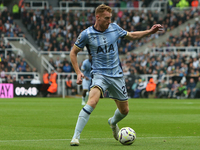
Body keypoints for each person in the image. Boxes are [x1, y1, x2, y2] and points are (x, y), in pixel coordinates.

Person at [69, 4, 163, 146]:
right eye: (106, 18)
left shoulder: (114, 28)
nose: (109, 21)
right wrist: (78, 72)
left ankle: (112, 122)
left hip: (117, 75)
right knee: (92, 101)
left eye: (110, 18)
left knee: (124, 111)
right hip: (99, 74)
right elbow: (73, 52)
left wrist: (150, 32)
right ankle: (75, 137)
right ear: (98, 17)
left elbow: (131, 35)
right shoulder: (86, 34)